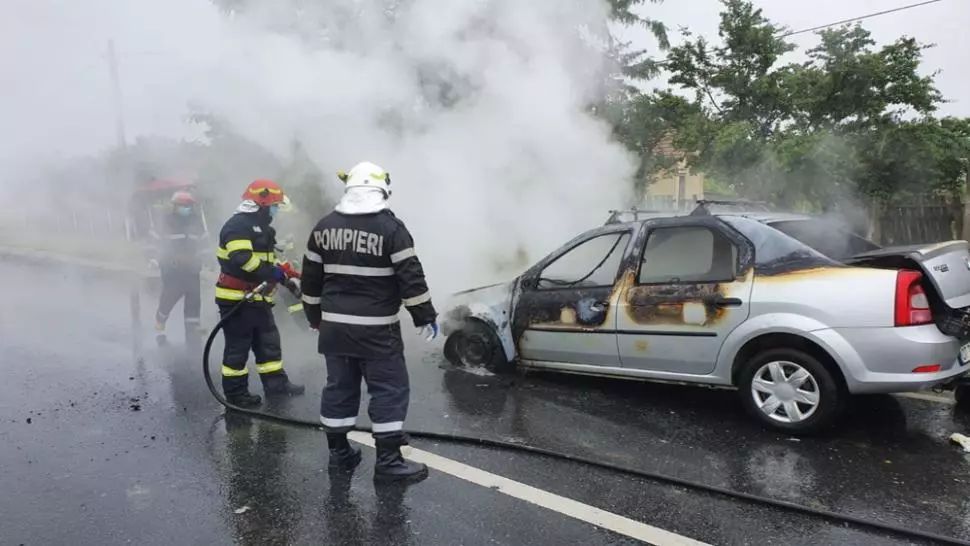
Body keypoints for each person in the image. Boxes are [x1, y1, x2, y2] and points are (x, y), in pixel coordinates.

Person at [301, 161, 438, 482]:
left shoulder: (323, 227)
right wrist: (424, 316)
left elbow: (310, 281)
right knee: (389, 389)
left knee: (339, 388)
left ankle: (340, 454)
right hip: (376, 330)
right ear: (381, 189)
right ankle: (389, 461)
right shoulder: (391, 229)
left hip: (334, 329)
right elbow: (411, 277)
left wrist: (314, 317)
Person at [215, 179, 305, 407]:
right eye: (274, 205)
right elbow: (243, 259)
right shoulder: (237, 226)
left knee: (269, 343)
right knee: (238, 348)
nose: (276, 210)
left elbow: (268, 262)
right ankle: (236, 394)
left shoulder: (263, 228)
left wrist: (286, 276)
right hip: (237, 299)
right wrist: (273, 274)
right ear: (262, 204)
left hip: (258, 298)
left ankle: (276, 385)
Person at [154, 190, 207, 342]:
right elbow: (155, 242)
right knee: (168, 299)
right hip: (172, 270)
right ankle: (160, 319)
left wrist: (207, 258)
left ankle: (193, 329)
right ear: (175, 206)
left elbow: (204, 243)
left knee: (194, 300)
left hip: (192, 269)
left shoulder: (196, 222)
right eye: (183, 206)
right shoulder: (166, 222)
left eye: (189, 206)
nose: (186, 208)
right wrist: (154, 258)